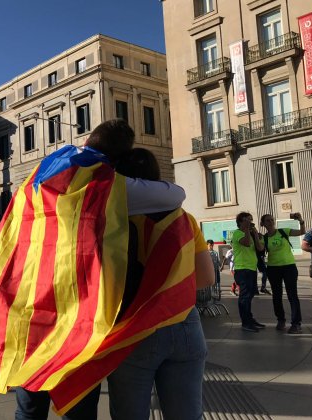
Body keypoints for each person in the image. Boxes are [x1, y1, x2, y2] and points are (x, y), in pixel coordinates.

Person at [11, 124, 188, 420]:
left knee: (29, 406)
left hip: (31, 304)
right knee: (76, 404)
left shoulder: (43, 173)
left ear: (86, 140)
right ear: (118, 159)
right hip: (71, 314)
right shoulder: (106, 185)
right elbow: (175, 195)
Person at [106, 147, 213, 419]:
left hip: (132, 330)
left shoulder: (112, 222)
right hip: (184, 324)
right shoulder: (184, 218)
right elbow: (206, 278)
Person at [260, 213, 305, 333]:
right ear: (263, 224)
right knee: (277, 295)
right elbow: (259, 249)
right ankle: (281, 319)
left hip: (289, 266)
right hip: (273, 269)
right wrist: (254, 233)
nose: (271, 222)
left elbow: (301, 232)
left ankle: (296, 323)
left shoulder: (283, 231)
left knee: (292, 295)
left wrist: (300, 220)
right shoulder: (264, 238)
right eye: (267, 221)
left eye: (272, 220)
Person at [232, 212, 265, 332]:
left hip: (251, 268)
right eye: (247, 220)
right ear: (241, 221)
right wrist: (246, 229)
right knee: (245, 296)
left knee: (250, 295)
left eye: (251, 220)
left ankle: (249, 319)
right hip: (242, 269)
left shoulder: (250, 234)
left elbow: (260, 248)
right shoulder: (237, 233)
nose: (250, 222)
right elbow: (246, 244)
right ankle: (245, 322)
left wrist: (255, 233)